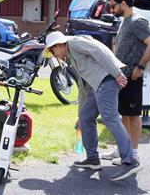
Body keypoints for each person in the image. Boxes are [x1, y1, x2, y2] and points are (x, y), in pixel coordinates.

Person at [43, 31, 142, 181]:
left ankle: (130, 161)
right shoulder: (71, 56)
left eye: (53, 51)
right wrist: (79, 113)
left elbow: (99, 51)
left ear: (58, 45)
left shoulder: (74, 43)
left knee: (110, 118)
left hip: (107, 80)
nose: (54, 56)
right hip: (96, 86)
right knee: (85, 117)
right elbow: (82, 87)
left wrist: (116, 73)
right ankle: (92, 159)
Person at [101, 0, 150, 165]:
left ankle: (134, 153)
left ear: (124, 4)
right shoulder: (125, 21)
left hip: (133, 77)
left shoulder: (138, 21)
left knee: (133, 115)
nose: (111, 9)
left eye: (113, 6)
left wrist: (140, 67)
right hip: (121, 77)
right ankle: (123, 149)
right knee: (123, 114)